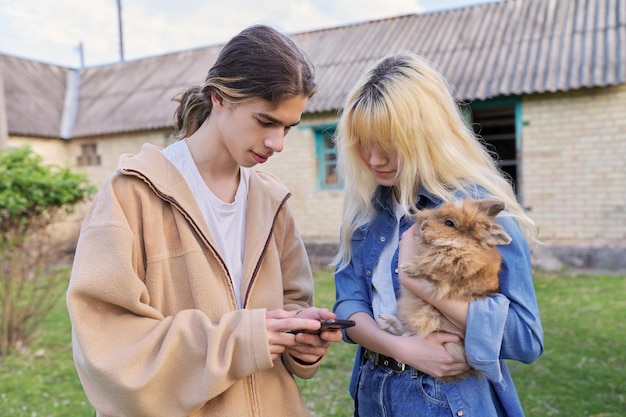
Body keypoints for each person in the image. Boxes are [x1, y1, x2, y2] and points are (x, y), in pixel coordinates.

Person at [66, 24, 343, 417]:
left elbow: (290, 305)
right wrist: (242, 340)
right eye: (266, 122)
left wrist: (300, 334)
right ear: (219, 99)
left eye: (288, 127)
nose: (278, 143)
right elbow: (108, 345)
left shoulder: (273, 201)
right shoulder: (130, 195)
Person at [332, 52, 544, 417]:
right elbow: (348, 307)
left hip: (444, 399)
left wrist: (419, 284)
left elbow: (526, 339)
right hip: (372, 391)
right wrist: (401, 349)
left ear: (427, 135)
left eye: (390, 143)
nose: (375, 159)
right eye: (364, 142)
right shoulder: (366, 212)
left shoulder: (474, 212)